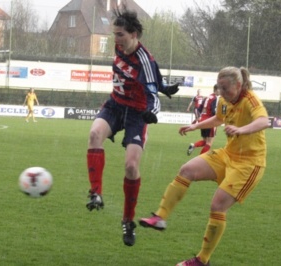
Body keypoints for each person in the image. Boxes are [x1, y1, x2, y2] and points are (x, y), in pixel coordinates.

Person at [139, 66, 269, 266]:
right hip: (228, 155)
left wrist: (242, 130)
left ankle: (202, 260)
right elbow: (219, 119)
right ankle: (160, 217)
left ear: (239, 85)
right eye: (219, 88)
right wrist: (196, 125)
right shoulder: (224, 101)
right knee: (187, 170)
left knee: (217, 206)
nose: (221, 93)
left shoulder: (250, 99)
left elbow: (263, 121)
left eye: (225, 88)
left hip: (249, 164)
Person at [85, 6, 179, 247]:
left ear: (134, 34)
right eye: (114, 34)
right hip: (115, 105)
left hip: (137, 114)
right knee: (95, 133)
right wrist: (164, 84)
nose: (116, 40)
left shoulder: (143, 59)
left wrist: (153, 111)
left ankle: (128, 221)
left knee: (130, 166)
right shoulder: (120, 46)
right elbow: (154, 77)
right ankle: (95, 192)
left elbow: (151, 91)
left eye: (120, 35)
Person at [187, 85, 220, 156]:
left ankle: (194, 145)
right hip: (210, 121)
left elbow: (199, 109)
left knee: (205, 141)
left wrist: (198, 118)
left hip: (203, 121)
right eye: (220, 89)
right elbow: (213, 110)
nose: (221, 91)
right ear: (216, 90)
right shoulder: (215, 98)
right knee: (209, 143)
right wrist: (218, 118)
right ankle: (200, 160)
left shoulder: (206, 97)